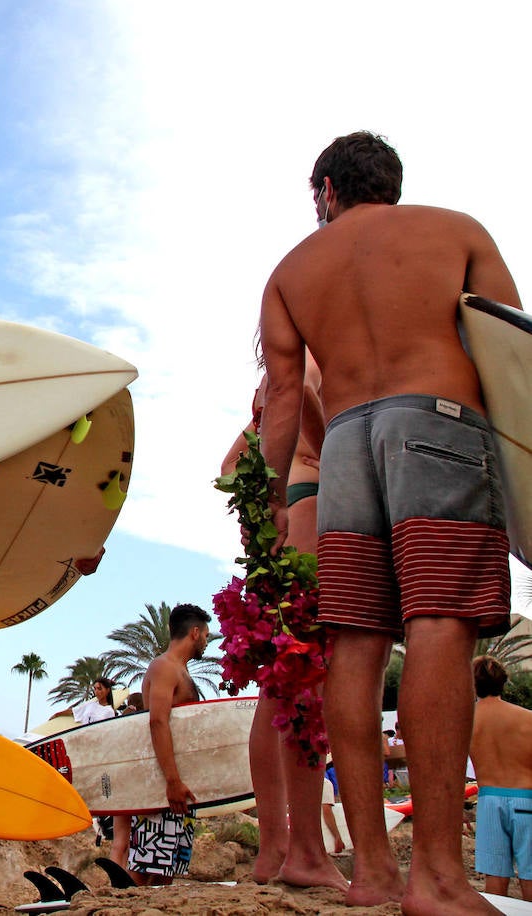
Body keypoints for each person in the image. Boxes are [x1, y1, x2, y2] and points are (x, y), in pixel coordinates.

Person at [259, 131, 520, 913]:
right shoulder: (457, 231)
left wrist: (270, 504)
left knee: (355, 637)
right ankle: (437, 876)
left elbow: (278, 402)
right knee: (440, 620)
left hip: (341, 447)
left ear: (328, 190)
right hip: (436, 424)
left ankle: (372, 872)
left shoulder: (291, 273)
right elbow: (512, 352)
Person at [223, 356, 345, 890]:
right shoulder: (315, 357)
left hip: (275, 512)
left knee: (278, 685)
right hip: (311, 501)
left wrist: (259, 512)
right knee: (307, 681)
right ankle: (307, 853)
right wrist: (328, 450)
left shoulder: (269, 381)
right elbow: (310, 402)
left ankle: (274, 846)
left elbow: (230, 468)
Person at [127, 603, 211, 886]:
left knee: (164, 873)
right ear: (195, 633)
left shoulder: (179, 669)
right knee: (145, 870)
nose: (207, 642)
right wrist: (172, 781)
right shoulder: (164, 667)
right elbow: (157, 722)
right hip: (164, 784)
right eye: (207, 635)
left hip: (176, 786)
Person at [470, 655, 532, 900]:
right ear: (503, 682)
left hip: (489, 799)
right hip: (526, 797)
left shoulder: (466, 721)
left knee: (494, 878)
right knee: (529, 875)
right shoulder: (527, 717)